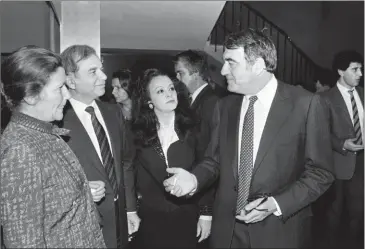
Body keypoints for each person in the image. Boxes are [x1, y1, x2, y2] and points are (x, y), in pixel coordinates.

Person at [163, 29, 334, 248]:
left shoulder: (306, 104)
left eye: (231, 62)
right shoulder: (224, 106)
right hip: (227, 233)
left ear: (258, 65)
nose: (223, 70)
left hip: (279, 232)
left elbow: (321, 173)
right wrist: (194, 180)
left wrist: (275, 204)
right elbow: (213, 160)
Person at [0, 45, 106, 248]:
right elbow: (25, 242)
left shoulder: (44, 132)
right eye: (59, 88)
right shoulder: (19, 150)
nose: (67, 95)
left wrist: (81, 192)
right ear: (30, 96)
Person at [59, 45, 140, 249]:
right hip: (82, 228)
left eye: (101, 69)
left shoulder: (113, 112)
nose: (103, 76)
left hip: (120, 223)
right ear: (70, 80)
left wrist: (130, 209)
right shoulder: (57, 121)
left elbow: (126, 163)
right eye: (93, 72)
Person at [129, 68, 200, 248]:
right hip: (151, 218)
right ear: (149, 101)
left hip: (188, 216)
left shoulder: (193, 128)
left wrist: (206, 214)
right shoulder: (136, 133)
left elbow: (206, 168)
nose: (169, 94)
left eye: (171, 89)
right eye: (160, 91)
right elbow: (130, 172)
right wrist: (131, 208)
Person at [173, 50, 222, 244]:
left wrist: (206, 211)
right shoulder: (191, 101)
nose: (176, 79)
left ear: (195, 73)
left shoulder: (212, 103)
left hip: (204, 193)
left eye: (180, 73)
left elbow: (210, 158)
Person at [319, 50, 364, 248]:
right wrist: (341, 144)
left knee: (358, 214)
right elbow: (319, 134)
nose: (360, 74)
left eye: (361, 69)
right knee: (334, 216)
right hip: (338, 164)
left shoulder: (363, 93)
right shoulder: (325, 99)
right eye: (355, 69)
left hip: (362, 164)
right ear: (340, 71)